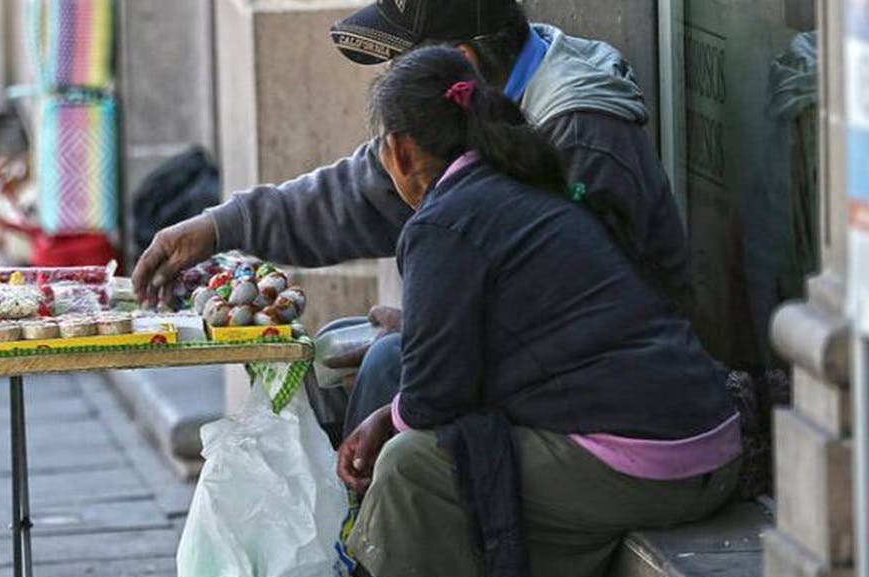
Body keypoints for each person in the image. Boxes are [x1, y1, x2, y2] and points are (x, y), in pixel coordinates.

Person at [336, 46, 739, 577]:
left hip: (656, 462)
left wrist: (381, 420)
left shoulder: (445, 221)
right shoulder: (519, 188)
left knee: (406, 468)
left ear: (399, 152)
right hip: (707, 440)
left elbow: (434, 401)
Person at [132, 0, 691, 441]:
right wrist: (220, 226)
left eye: (405, 63)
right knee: (328, 358)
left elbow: (599, 308)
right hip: (531, 348)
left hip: (613, 389)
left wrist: (442, 332)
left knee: (387, 371)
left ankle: (379, 570)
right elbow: (359, 191)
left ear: (463, 63)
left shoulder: (581, 132)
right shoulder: (464, 114)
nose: (394, 83)